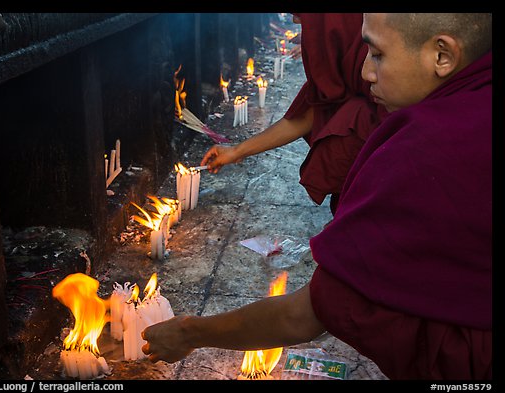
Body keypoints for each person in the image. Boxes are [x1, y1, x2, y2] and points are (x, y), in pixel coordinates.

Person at [142, 13, 492, 380]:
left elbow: (308, 313)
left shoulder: (426, 151)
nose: (366, 73)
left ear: (442, 55)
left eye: (377, 54)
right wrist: (239, 150)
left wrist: (188, 332)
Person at [201, 13, 386, 215]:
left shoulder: (380, 68)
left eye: (302, 17)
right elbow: (307, 114)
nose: (294, 21)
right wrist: (237, 151)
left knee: (354, 116)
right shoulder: (348, 46)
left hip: (386, 189)